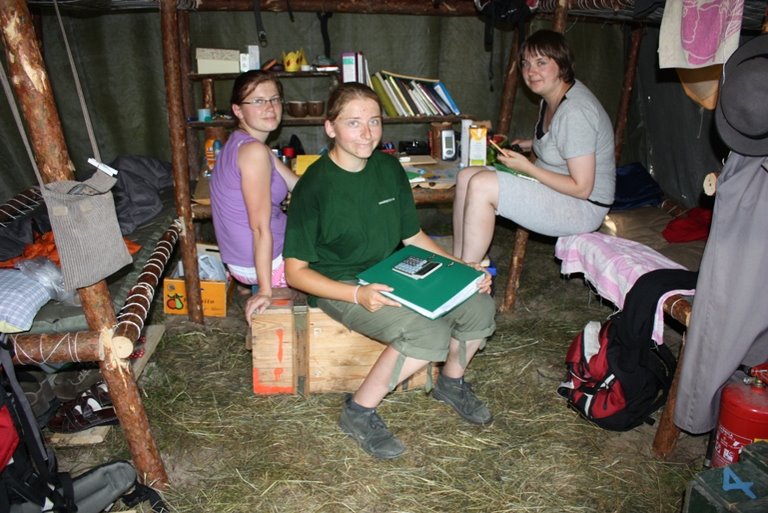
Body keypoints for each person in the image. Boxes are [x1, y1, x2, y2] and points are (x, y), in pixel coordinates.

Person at [283, 83, 496, 459]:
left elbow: (411, 235)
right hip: (341, 282)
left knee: (479, 305)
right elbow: (295, 273)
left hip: (395, 269)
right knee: (427, 331)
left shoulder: (388, 167)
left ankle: (451, 382)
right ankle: (358, 411)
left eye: (374, 121)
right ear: (330, 127)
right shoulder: (313, 187)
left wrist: (461, 268)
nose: (367, 133)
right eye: (353, 123)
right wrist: (356, 294)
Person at [452, 29, 615, 263]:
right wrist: (531, 143)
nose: (531, 71)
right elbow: (563, 139)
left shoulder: (576, 111)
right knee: (466, 176)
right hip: (556, 189)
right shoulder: (552, 97)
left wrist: (527, 167)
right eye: (525, 63)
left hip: (583, 207)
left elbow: (582, 188)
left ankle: (469, 272)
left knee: (481, 185)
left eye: (541, 62)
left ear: (562, 64)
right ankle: (458, 261)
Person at [210, 70, 299, 324]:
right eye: (258, 101)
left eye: (274, 99)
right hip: (267, 264)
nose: (270, 107)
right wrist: (265, 290)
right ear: (238, 110)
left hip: (241, 259)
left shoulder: (245, 143)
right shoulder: (253, 152)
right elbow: (259, 228)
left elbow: (301, 187)